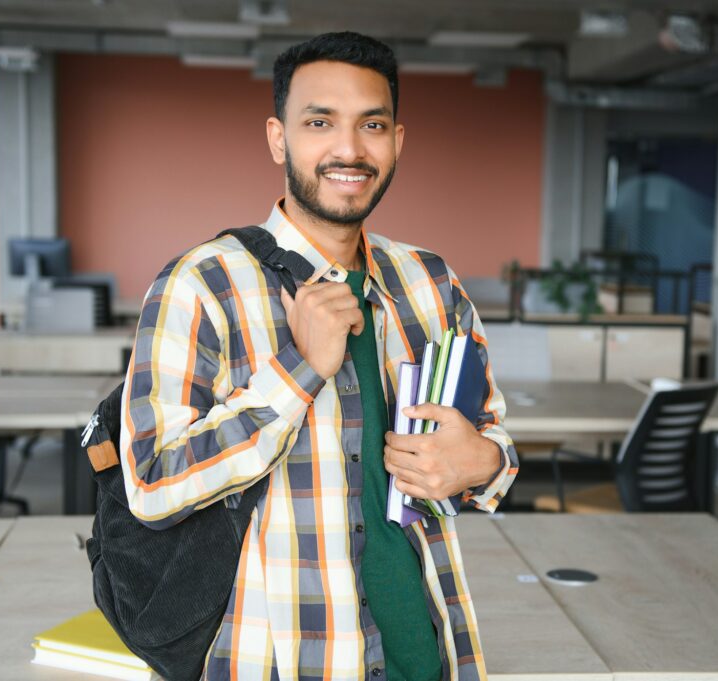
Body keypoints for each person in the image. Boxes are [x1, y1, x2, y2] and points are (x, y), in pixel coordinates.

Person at [119, 31, 519, 681]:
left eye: (372, 125)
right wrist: (299, 368)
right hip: (284, 660)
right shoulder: (202, 284)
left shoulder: (430, 282)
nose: (349, 148)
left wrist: (484, 460)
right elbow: (150, 483)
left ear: (397, 141)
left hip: (427, 651)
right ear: (278, 138)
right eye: (319, 122)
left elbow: (491, 437)